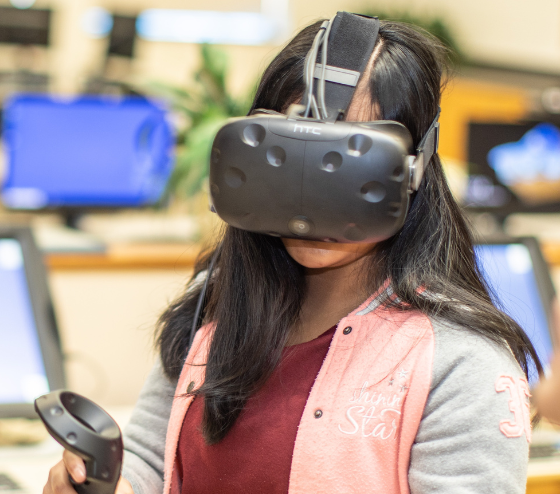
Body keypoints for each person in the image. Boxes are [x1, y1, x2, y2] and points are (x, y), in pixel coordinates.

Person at [44, 17, 540, 494]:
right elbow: (153, 462)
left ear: (413, 170)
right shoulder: (214, 305)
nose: (311, 194)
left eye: (348, 159)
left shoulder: (461, 362)